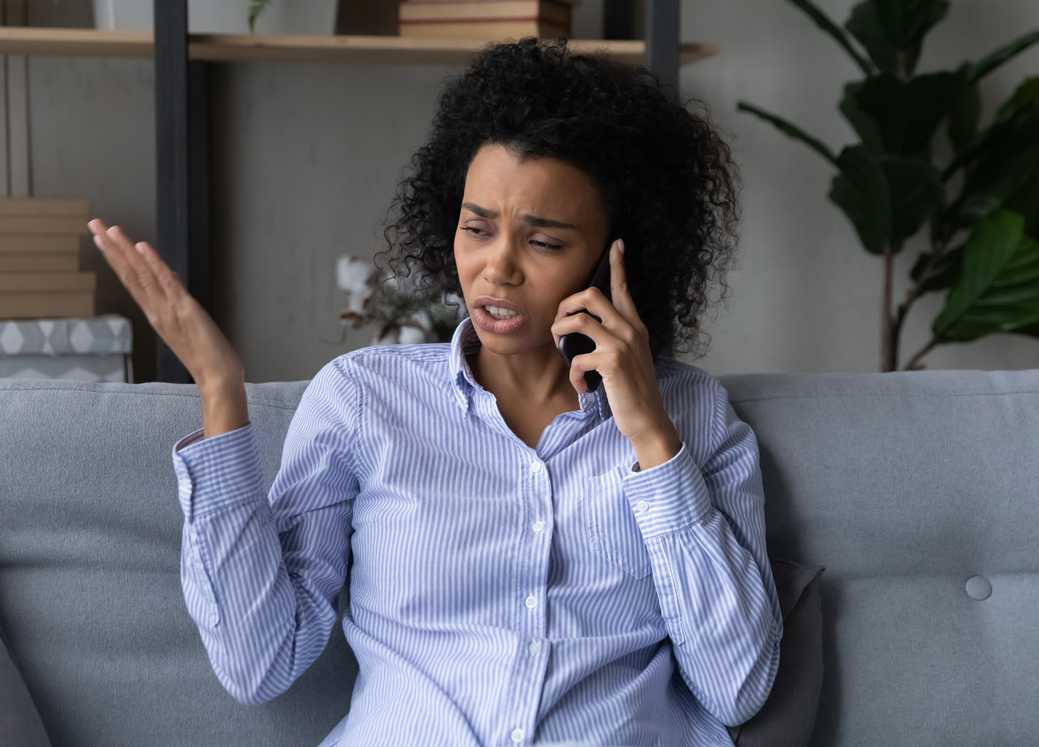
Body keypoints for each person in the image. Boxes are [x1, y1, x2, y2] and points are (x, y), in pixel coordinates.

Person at [88, 36, 782, 747]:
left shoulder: (692, 415)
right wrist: (219, 389)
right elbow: (259, 661)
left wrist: (652, 441)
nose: (496, 269)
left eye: (544, 243)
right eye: (476, 228)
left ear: (620, 253)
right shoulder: (363, 401)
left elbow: (735, 685)